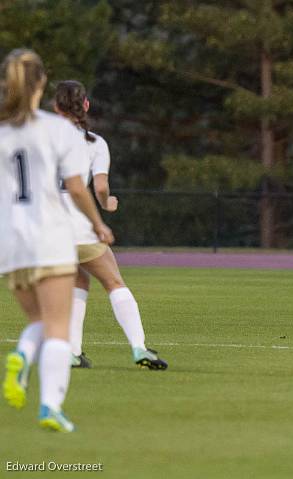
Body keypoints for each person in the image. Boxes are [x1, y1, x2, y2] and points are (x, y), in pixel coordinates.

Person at [1, 49, 114, 431]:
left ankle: (22, 356)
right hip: (49, 234)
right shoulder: (57, 130)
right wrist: (97, 223)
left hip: (12, 242)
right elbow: (78, 188)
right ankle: (49, 405)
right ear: (42, 85)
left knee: (38, 319)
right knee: (58, 327)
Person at [53, 80, 167, 370]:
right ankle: (139, 347)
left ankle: (72, 352)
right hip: (79, 223)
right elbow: (100, 187)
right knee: (113, 282)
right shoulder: (94, 143)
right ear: (86, 105)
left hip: (47, 228)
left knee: (79, 280)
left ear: (55, 107)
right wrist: (106, 205)